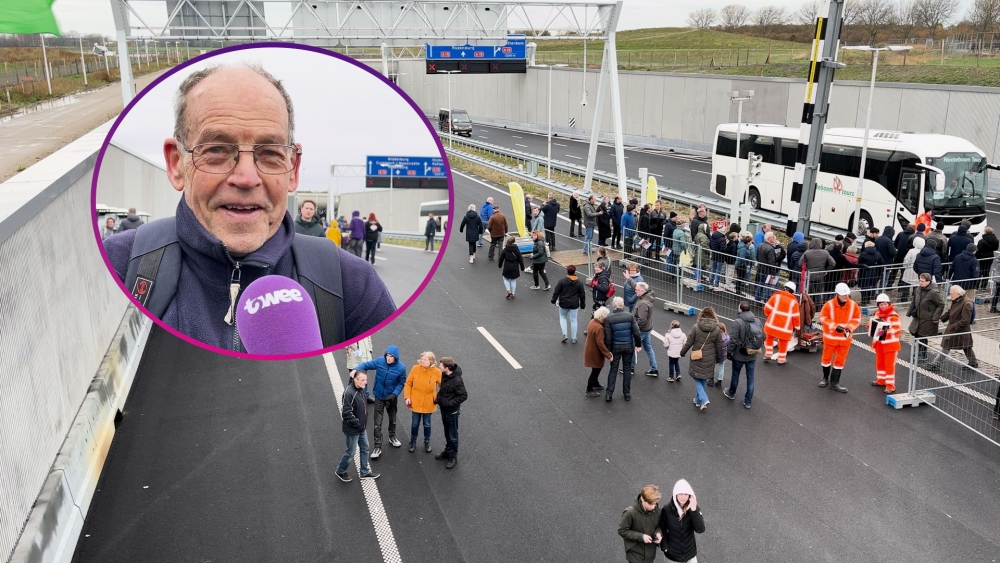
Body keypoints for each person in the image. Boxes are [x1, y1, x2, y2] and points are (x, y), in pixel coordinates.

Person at [102, 64, 395, 352]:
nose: (246, 178)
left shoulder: (353, 286)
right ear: (177, 164)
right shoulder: (116, 266)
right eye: (216, 150)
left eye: (269, 153)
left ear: (292, 170)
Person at [350, 345, 407, 459]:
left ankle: (392, 436)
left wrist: (394, 394)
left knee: (393, 419)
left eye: (391, 356)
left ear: (396, 358)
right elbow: (366, 365)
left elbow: (401, 383)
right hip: (379, 397)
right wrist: (356, 369)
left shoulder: (401, 368)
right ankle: (377, 447)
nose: (388, 358)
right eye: (387, 355)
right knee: (377, 423)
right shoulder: (380, 361)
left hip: (391, 398)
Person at [335, 370, 379, 482]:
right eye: (363, 380)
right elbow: (346, 412)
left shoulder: (360, 389)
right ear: (355, 380)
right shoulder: (349, 393)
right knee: (351, 452)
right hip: (353, 429)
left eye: (366, 379)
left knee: (365, 448)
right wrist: (358, 423)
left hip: (360, 427)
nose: (365, 382)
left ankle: (364, 472)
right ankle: (340, 470)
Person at [818, 283, 862, 393]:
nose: (846, 297)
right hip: (830, 338)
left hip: (844, 339)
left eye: (847, 295)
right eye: (843, 295)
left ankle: (834, 383)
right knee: (826, 359)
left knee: (840, 361)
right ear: (837, 294)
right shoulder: (829, 305)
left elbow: (857, 319)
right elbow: (823, 318)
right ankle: (825, 378)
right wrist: (834, 326)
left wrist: (849, 328)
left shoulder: (853, 305)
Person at [681, 307, 725, 410]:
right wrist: (719, 359)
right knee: (704, 378)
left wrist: (682, 352)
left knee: (696, 377)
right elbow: (719, 346)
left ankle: (704, 399)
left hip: (697, 357)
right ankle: (698, 400)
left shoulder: (696, 327)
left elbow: (689, 342)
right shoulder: (717, 329)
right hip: (710, 358)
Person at [927, 285, 978, 370]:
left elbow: (965, 320)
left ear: (958, 293)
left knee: (947, 345)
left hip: (959, 330)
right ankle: (973, 362)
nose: (950, 295)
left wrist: (954, 327)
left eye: (952, 294)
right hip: (956, 328)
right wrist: (942, 318)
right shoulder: (957, 300)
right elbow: (950, 311)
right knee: (966, 346)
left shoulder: (966, 303)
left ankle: (935, 364)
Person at [657, 479, 705, 563]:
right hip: (672, 556)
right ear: (675, 494)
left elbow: (700, 529)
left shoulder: (693, 508)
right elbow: (662, 529)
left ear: (690, 495)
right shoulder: (667, 509)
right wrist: (665, 547)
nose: (683, 497)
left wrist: (694, 510)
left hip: (690, 554)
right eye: (680, 493)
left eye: (686, 494)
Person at [604, 297, 641, 402]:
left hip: (615, 346)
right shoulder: (629, 316)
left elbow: (608, 336)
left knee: (613, 369)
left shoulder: (609, 318)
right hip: (628, 345)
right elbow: (636, 332)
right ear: (623, 304)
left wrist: (608, 350)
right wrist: (638, 345)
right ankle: (627, 393)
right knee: (627, 369)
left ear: (613, 305)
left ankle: (609, 394)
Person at [404, 351, 442, 453]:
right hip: (416, 400)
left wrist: (437, 396)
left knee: (427, 424)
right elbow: (408, 383)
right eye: (422, 359)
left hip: (428, 402)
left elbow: (443, 386)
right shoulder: (415, 368)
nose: (422, 361)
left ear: (431, 361)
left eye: (425, 360)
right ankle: (413, 442)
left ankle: (427, 442)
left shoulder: (437, 372)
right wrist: (407, 397)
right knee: (415, 424)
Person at [725, 301, 761, 409]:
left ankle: (731, 393)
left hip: (739, 354)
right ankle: (748, 401)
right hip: (753, 354)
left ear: (740, 309)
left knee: (736, 374)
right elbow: (761, 336)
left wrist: (729, 351)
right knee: (750, 378)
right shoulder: (758, 321)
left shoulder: (738, 322)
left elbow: (733, 340)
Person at [434, 357, 467, 469]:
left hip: (452, 412)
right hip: (444, 409)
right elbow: (443, 389)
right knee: (447, 432)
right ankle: (448, 451)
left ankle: (453, 456)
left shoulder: (457, 380)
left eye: (441, 365)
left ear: (447, 368)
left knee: (453, 435)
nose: (439, 366)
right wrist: (439, 398)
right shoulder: (444, 375)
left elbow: (463, 395)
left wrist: (449, 403)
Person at [619, 485, 663, 563]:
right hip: (635, 554)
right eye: (650, 504)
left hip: (650, 554)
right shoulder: (630, 513)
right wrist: (641, 537)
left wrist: (658, 534)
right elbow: (622, 531)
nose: (653, 507)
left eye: (655, 503)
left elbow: (659, 526)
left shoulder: (658, 511)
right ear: (642, 499)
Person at [869, 293, 902, 394]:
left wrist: (885, 332)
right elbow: (874, 323)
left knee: (889, 366)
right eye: (881, 304)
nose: (883, 306)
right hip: (880, 344)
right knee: (880, 363)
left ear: (888, 303)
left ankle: (890, 386)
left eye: (884, 304)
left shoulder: (894, 316)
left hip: (890, 345)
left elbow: (897, 329)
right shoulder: (877, 314)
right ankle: (881, 380)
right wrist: (870, 325)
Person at [908, 273, 944, 361]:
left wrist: (936, 316)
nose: (920, 283)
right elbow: (914, 301)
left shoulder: (933, 292)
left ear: (928, 282)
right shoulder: (918, 289)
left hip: (927, 318)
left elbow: (941, 304)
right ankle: (919, 351)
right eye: (920, 280)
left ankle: (923, 354)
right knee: (914, 332)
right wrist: (909, 312)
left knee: (922, 335)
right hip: (918, 316)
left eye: (922, 281)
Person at [763, 281, 800, 365]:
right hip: (785, 328)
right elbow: (796, 317)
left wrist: (769, 315)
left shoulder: (776, 297)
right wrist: (797, 327)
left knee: (769, 339)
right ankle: (781, 359)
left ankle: (768, 354)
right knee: (783, 343)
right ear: (793, 291)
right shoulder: (794, 302)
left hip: (771, 325)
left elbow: (767, 309)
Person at [552, 264, 588, 343]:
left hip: (563, 303)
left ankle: (564, 334)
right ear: (575, 271)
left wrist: (553, 300)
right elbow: (582, 295)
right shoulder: (579, 283)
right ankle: (574, 337)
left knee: (563, 317)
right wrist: (582, 304)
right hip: (574, 304)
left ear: (567, 271)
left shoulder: (562, 281)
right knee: (573, 320)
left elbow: (556, 291)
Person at [584, 306, 613, 397]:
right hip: (595, 352)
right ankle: (589, 389)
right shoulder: (600, 328)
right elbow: (600, 343)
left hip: (590, 350)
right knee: (596, 370)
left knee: (596, 368)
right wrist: (609, 354)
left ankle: (595, 383)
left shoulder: (592, 322)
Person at [632, 282, 659, 377]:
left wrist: (635, 329)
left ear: (642, 291)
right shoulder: (647, 297)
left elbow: (642, 319)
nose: (635, 291)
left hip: (642, 329)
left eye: (637, 290)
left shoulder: (642, 303)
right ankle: (654, 369)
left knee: (632, 347)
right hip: (648, 328)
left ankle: (630, 368)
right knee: (648, 348)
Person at [754, 232, 779, 302]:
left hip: (761, 269)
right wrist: (773, 273)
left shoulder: (760, 245)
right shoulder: (770, 249)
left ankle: (757, 299)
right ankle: (766, 301)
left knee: (760, 284)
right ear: (769, 238)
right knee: (768, 286)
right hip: (768, 271)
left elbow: (757, 257)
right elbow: (772, 262)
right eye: (773, 237)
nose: (774, 238)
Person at [498, 235, 524, 299]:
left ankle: (508, 290)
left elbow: (501, 258)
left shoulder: (505, 249)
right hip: (515, 266)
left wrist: (500, 265)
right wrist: (522, 267)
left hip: (507, 266)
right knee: (513, 280)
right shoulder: (517, 249)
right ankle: (513, 293)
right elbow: (520, 259)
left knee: (505, 278)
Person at [735, 233, 754, 297]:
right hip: (741, 265)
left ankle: (738, 291)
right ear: (748, 242)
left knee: (740, 278)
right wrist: (746, 263)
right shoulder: (743, 249)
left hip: (741, 265)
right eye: (751, 241)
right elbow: (742, 258)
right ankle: (738, 292)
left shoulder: (745, 247)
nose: (752, 242)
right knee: (740, 278)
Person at [711, 322, 729, 388]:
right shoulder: (727, 337)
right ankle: (719, 381)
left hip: (715, 354)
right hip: (723, 355)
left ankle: (711, 379)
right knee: (721, 367)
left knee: (712, 366)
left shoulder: (716, 337)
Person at [708, 224, 727, 289]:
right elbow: (723, 249)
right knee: (718, 271)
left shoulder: (712, 236)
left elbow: (710, 245)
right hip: (720, 257)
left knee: (712, 270)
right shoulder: (722, 239)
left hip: (714, 255)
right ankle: (716, 285)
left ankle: (710, 283)